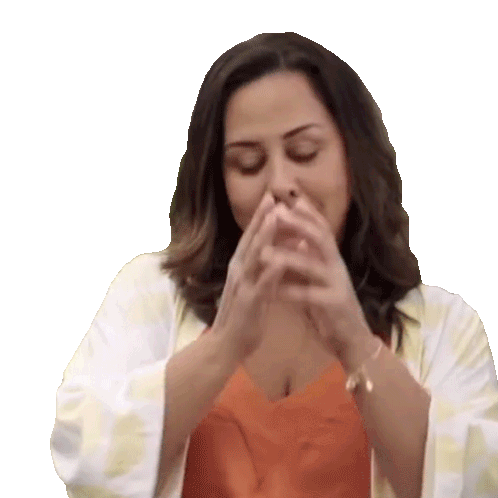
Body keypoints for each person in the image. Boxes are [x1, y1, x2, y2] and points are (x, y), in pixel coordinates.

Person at [50, 32, 498, 498]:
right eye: (248, 164)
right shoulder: (147, 294)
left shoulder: (446, 327)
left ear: (353, 157)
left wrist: (355, 342)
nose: (280, 184)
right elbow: (84, 459)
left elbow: (475, 484)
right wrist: (223, 345)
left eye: (305, 153)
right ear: (219, 180)